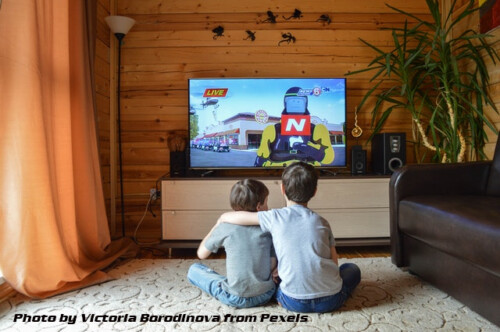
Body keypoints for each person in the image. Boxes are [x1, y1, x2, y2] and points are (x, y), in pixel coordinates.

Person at [217, 161, 360, 313]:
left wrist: (224, 217)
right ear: (315, 191)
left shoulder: (274, 217)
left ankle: (283, 296)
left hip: (292, 301)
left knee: (277, 281)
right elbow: (334, 261)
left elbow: (241, 217)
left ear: (282, 189)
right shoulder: (322, 222)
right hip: (330, 300)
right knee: (351, 269)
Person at [187, 179, 277, 308]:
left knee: (194, 269)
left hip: (235, 297)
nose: (268, 207)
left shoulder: (225, 227)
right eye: (267, 203)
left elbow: (201, 254)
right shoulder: (268, 229)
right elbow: (272, 264)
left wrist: (217, 225)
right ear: (259, 206)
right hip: (266, 294)